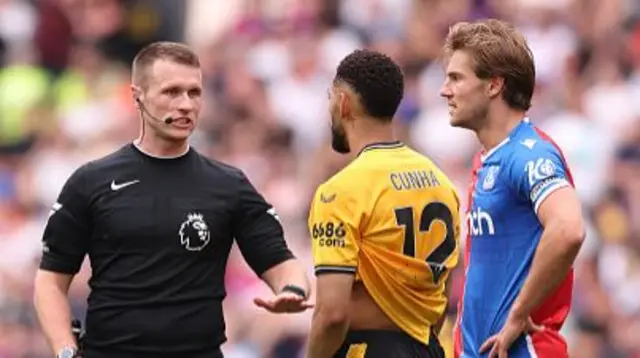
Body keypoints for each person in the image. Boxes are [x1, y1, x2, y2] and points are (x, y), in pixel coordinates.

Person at [33, 41, 312, 358]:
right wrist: (65, 351)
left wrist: (292, 289)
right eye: (172, 92)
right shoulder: (90, 181)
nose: (186, 104)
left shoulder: (228, 185)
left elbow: (280, 262)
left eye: (195, 93)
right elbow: (51, 282)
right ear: (138, 96)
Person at [439, 19, 586, 358]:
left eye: (456, 78)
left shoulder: (528, 152)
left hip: (525, 349)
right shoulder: (488, 159)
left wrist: (518, 314)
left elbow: (568, 229)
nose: (444, 90)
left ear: (493, 85)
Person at [306, 49, 461, 358]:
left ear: (343, 102)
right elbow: (442, 293)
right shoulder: (440, 182)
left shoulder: (339, 192)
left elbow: (332, 314)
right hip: (428, 348)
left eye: (330, 97)